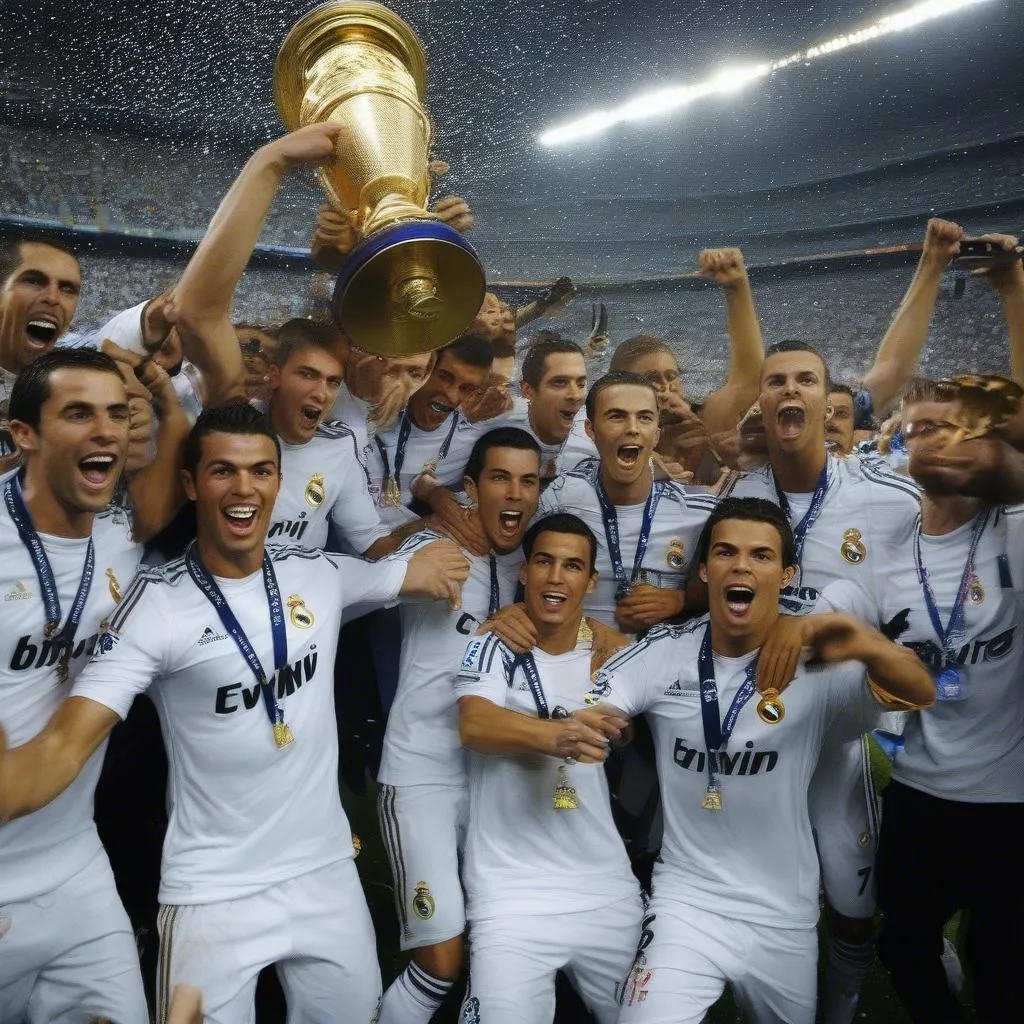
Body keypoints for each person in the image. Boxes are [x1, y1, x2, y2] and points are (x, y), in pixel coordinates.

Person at [0, 402, 471, 1024]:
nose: (244, 488)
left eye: (260, 471)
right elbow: (64, 746)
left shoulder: (320, 575)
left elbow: (417, 572)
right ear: (193, 484)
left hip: (324, 871)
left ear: (279, 481)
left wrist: (469, 563)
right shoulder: (155, 608)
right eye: (223, 471)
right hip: (211, 890)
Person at [591, 497, 934, 1024]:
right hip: (686, 903)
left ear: (787, 572)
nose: (742, 566)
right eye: (726, 552)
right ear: (704, 570)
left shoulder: (817, 666)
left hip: (783, 915)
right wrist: (595, 721)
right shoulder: (664, 651)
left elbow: (919, 689)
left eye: (761, 555)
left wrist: (857, 637)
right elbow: (598, 701)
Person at [718, 339, 921, 1024]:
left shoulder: (890, 498)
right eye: (775, 381)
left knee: (854, 906)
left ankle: (838, 1008)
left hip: (836, 733)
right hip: (753, 734)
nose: (789, 390)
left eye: (805, 379)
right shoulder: (740, 494)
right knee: (758, 896)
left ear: (826, 399)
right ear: (764, 401)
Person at [0, 347, 189, 1024]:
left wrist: (165, 399)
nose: (107, 429)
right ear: (24, 433)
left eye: (117, 413)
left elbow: (180, 466)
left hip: (79, 873)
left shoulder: (121, 533)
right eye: (79, 413)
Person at [865, 377, 1024, 1023]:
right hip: (920, 789)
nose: (931, 442)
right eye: (919, 427)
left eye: (948, 428)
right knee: (903, 946)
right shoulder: (890, 547)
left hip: (1009, 802)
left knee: (1003, 966)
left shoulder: (1010, 529)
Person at [376, 427, 542, 1024]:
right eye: (500, 478)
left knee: (496, 951)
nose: (515, 492)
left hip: (498, 780)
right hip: (421, 774)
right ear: (472, 487)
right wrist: (419, 526)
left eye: (528, 480)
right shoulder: (438, 545)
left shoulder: (538, 565)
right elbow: (360, 570)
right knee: (439, 963)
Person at [456, 513, 643, 1024]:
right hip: (510, 895)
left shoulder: (614, 655)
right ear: (524, 573)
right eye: (544, 561)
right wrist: (555, 735)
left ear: (590, 582)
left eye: (572, 565)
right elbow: (473, 724)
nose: (556, 577)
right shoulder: (490, 643)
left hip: (604, 889)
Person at [367, 333, 494, 525]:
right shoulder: (368, 418)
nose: (452, 396)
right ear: (423, 369)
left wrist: (436, 495)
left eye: (466, 388)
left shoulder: (475, 439)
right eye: (444, 377)